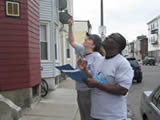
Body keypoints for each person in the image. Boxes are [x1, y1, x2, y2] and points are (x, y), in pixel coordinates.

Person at [78, 33, 134, 120]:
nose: (107, 37)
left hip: (113, 116)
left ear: (117, 46)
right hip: (96, 114)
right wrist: (84, 70)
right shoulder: (99, 60)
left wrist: (97, 84)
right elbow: (92, 80)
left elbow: (122, 90)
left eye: (111, 37)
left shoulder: (122, 63)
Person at [68, 18, 103, 120]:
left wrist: (83, 71)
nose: (85, 39)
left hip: (89, 92)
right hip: (80, 90)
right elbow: (72, 41)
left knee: (89, 116)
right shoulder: (83, 50)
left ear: (93, 45)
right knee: (83, 116)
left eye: (89, 39)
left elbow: (99, 79)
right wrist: (70, 27)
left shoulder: (97, 58)